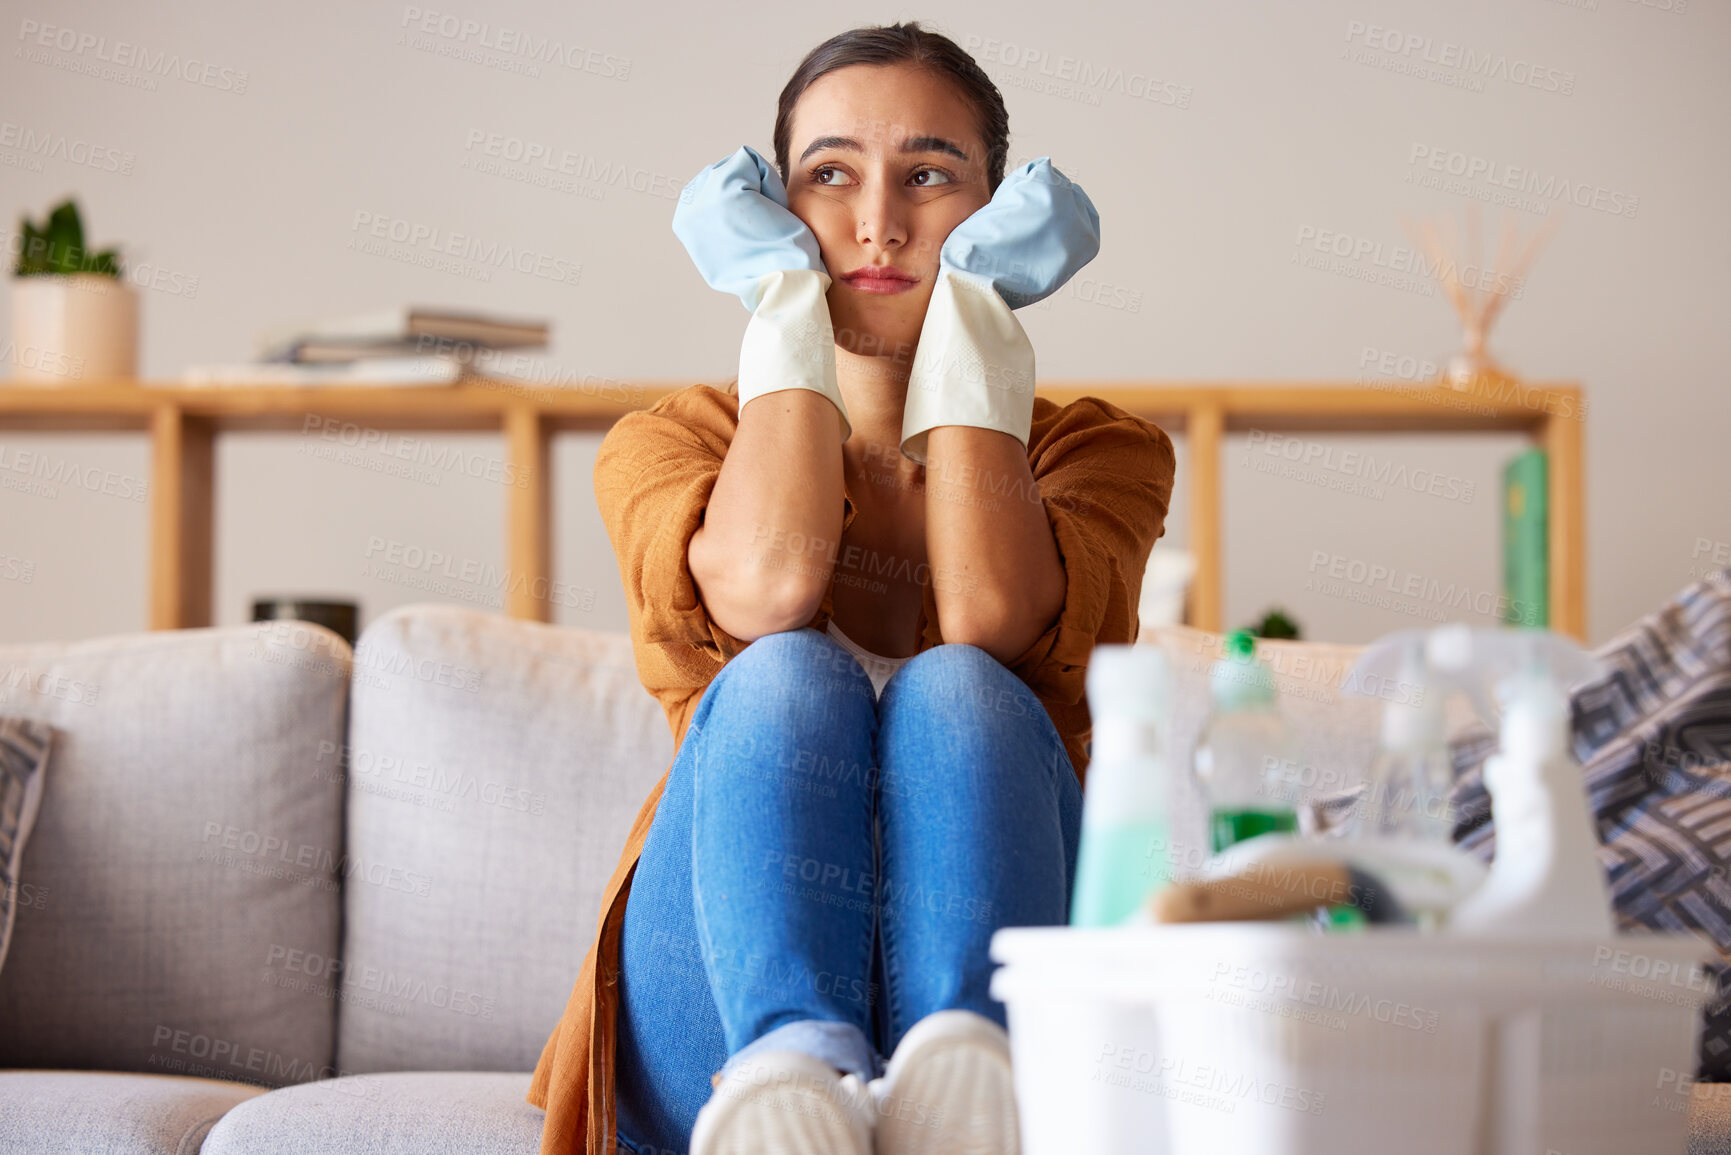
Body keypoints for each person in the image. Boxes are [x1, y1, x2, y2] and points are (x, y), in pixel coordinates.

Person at [525, 21, 1176, 1155]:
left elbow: (987, 617)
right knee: (787, 671)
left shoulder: (1100, 454)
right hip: (721, 1023)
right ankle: (789, 1067)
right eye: (829, 177)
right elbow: (771, 587)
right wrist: (786, 305)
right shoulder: (667, 443)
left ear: (997, 209)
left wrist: (971, 315)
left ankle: (967, 1073)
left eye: (930, 175)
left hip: (1013, 1033)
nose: (878, 223)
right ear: (777, 210)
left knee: (959, 689)